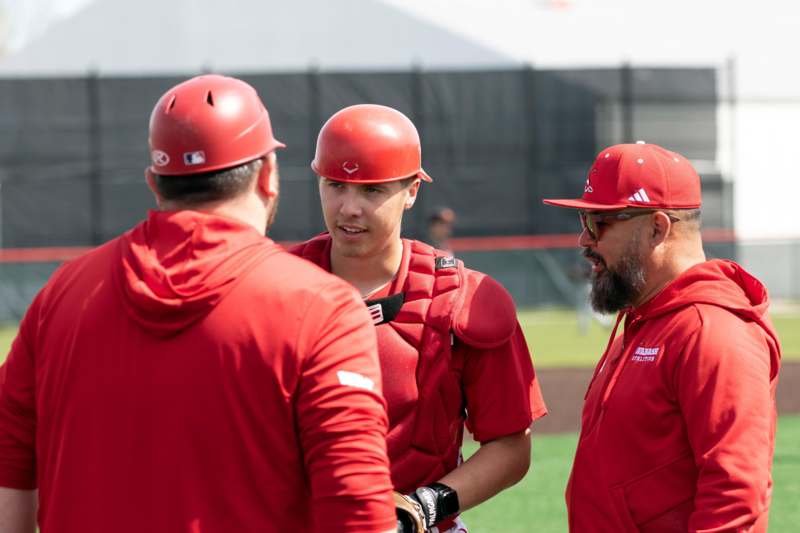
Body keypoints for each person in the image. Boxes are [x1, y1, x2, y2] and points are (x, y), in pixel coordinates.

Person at [0, 75, 397, 533]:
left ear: (154, 182)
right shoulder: (321, 307)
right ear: (267, 175)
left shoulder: (63, 293)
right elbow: (358, 514)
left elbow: (9, 469)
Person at [291, 104, 547, 533]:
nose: (349, 207)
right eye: (335, 185)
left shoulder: (463, 299)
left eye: (372, 190)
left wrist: (422, 507)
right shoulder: (271, 290)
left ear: (411, 191)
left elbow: (510, 446)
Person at [544, 141, 781, 532]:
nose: (585, 240)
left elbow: (735, 500)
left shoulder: (713, 331)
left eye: (599, 222)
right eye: (584, 220)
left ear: (657, 228)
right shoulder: (646, 317)